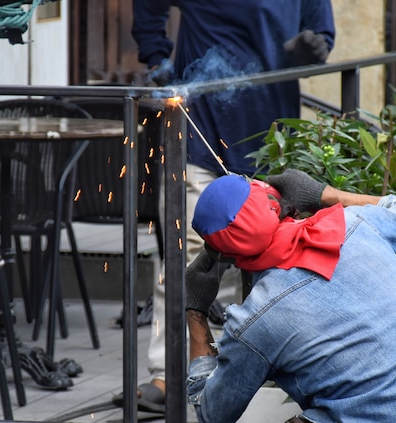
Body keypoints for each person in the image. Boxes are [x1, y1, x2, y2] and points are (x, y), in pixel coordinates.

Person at [122, 0, 336, 412]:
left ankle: (265, 373)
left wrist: (311, 49)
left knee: (273, 260)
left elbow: (321, 34)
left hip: (273, 142)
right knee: (184, 257)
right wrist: (158, 57)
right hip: (203, 135)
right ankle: (167, 371)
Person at [187, 169, 396, 422]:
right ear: (278, 200)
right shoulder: (359, 221)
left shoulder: (255, 321)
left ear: (227, 258)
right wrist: (325, 194)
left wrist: (195, 312)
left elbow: (210, 412)